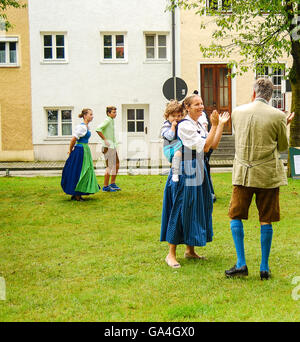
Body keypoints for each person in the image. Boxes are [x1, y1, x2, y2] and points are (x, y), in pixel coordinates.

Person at [225, 78, 295, 280]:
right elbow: (282, 146)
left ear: (254, 92)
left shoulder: (238, 112)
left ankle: (241, 263)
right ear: (271, 95)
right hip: (267, 175)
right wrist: (284, 124)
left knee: (235, 215)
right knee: (266, 219)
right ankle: (264, 267)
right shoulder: (277, 116)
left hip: (243, 174)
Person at [160, 94, 229, 268]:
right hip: (185, 169)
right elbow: (204, 146)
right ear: (187, 108)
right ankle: (171, 254)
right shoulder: (184, 126)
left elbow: (213, 145)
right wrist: (214, 125)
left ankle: (190, 250)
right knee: (181, 207)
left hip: (198, 167)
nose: (201, 106)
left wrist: (219, 125)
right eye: (196, 104)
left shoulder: (197, 124)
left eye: (202, 103)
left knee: (195, 208)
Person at [61, 108, 100, 201]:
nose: (92, 116)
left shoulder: (86, 126)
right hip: (80, 150)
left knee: (84, 170)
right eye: (90, 114)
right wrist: (70, 150)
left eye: (92, 114)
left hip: (84, 149)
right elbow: (73, 139)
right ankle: (77, 195)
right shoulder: (82, 127)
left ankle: (77, 193)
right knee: (80, 171)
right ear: (85, 115)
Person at [96, 106, 120, 192]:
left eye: (115, 112)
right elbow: (98, 129)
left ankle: (112, 184)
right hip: (107, 147)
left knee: (116, 164)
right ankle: (105, 187)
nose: (115, 114)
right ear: (108, 113)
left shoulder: (111, 121)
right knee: (109, 166)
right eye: (113, 112)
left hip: (112, 146)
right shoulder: (107, 120)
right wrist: (105, 139)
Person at [161, 100, 185, 182]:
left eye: (179, 116)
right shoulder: (166, 126)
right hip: (169, 148)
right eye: (173, 116)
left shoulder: (181, 124)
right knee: (179, 150)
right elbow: (170, 137)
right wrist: (173, 127)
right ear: (167, 116)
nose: (176, 118)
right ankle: (175, 173)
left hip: (177, 148)